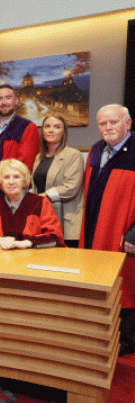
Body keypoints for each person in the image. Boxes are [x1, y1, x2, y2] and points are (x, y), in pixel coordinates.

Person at [80, 104, 135, 356]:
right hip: (94, 228)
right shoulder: (95, 150)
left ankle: (127, 338)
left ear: (128, 123)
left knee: (126, 283)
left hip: (123, 232)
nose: (108, 127)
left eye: (113, 122)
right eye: (103, 123)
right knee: (98, 277)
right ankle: (100, 328)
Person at [0, 159, 65, 250]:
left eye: (16, 177)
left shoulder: (40, 203)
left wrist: (26, 243)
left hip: (33, 257)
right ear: (0, 181)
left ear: (24, 181)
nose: (11, 182)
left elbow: (55, 237)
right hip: (0, 258)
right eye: (6, 177)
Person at [32, 114, 84, 246]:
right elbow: (36, 185)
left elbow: (70, 188)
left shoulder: (73, 155)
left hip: (65, 221)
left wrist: (42, 197)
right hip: (43, 221)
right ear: (42, 131)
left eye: (57, 127)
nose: (51, 130)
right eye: (47, 126)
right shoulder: (39, 157)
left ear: (63, 132)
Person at [0, 84, 40, 173]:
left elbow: (25, 164)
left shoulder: (28, 127)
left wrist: (0, 180)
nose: (4, 103)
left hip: (13, 183)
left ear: (16, 101)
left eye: (8, 98)